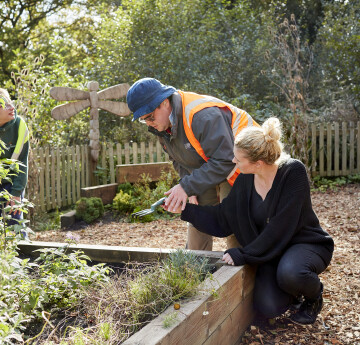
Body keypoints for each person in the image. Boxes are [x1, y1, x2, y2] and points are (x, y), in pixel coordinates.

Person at [164, 117, 334, 325]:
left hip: (304, 244)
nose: (233, 162)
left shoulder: (292, 172)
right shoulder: (245, 180)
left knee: (291, 273)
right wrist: (185, 210)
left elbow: (280, 227)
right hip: (272, 251)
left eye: (238, 159)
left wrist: (243, 254)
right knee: (268, 307)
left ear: (258, 163)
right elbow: (223, 218)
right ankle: (293, 292)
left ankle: (313, 297)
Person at [127, 77, 259, 251]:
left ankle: (242, 270)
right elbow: (178, 159)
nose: (149, 123)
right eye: (144, 120)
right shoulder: (161, 125)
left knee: (234, 221)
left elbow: (225, 159)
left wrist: (186, 187)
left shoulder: (202, 116)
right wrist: (190, 188)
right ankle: (195, 270)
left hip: (243, 164)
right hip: (214, 165)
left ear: (165, 102)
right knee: (197, 217)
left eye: (150, 117)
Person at [0, 88, 30, 237]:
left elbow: (22, 163)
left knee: (15, 225)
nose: (12, 108)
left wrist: (17, 194)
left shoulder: (20, 126)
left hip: (12, 183)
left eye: (11, 103)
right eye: (5, 105)